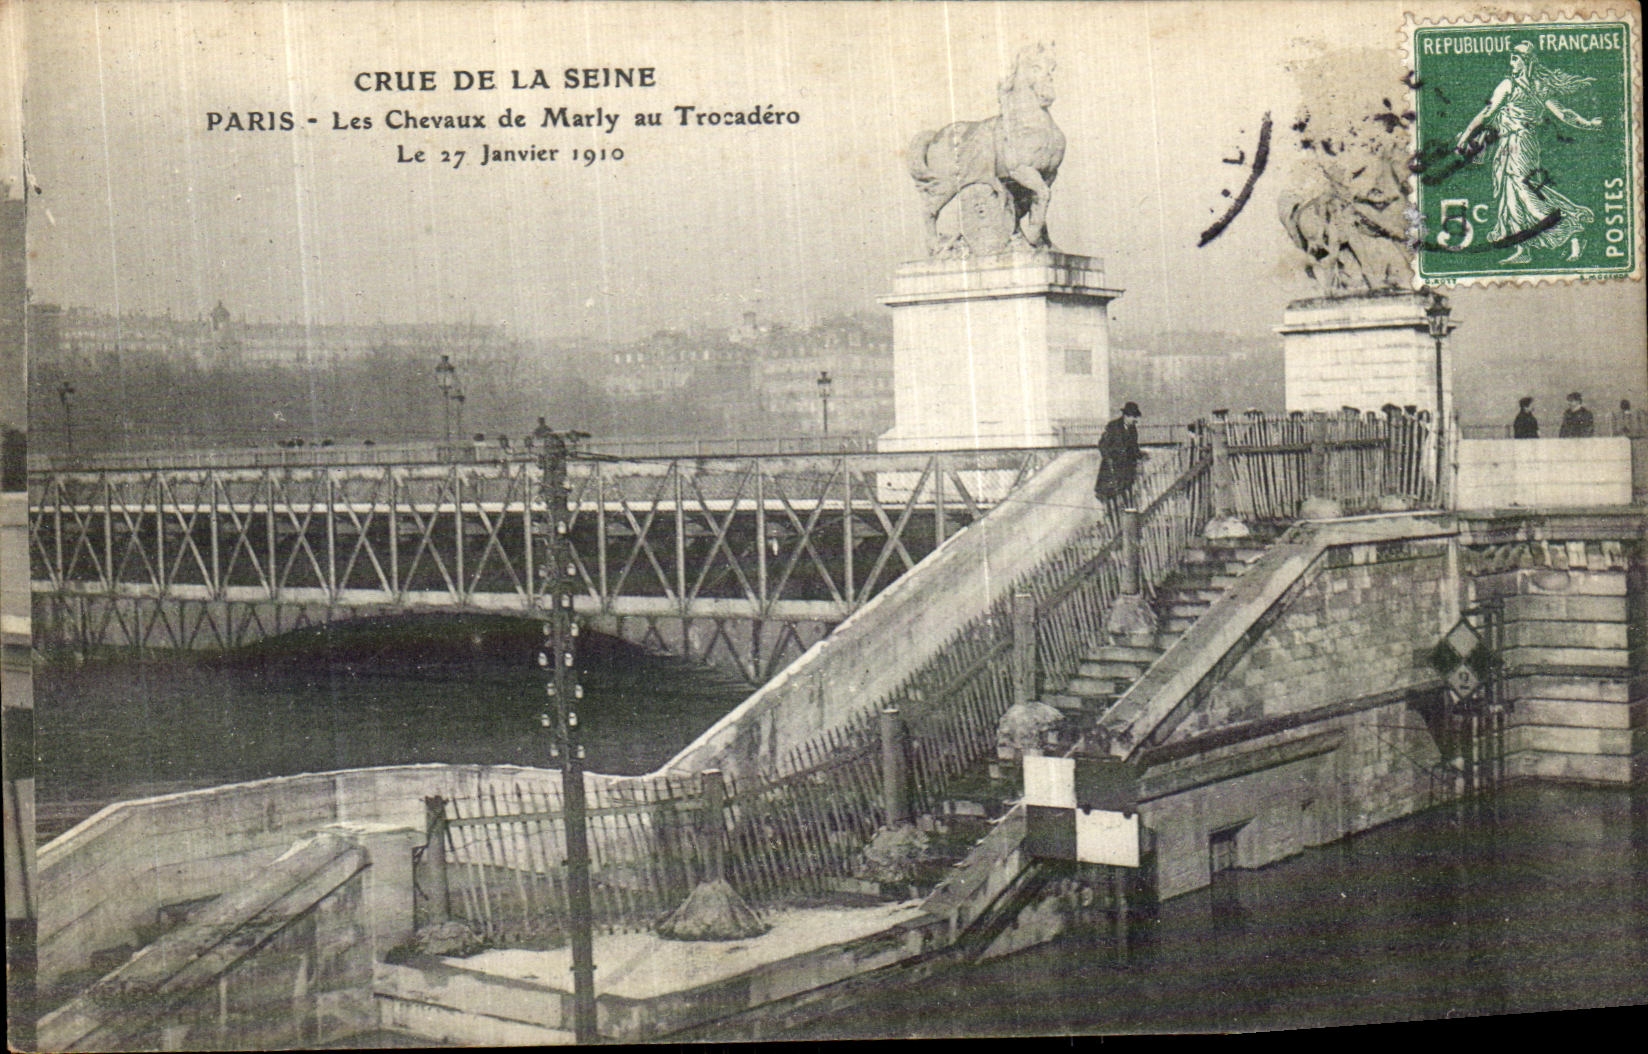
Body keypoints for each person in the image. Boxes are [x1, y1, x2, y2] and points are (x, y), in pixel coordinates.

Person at [1454, 41, 1603, 264]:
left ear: (1527, 62)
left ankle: (1572, 228)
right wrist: (1588, 123)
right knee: (1511, 195)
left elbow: (1487, 114)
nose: (1511, 62)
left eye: (1516, 58)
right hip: (1510, 143)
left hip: (1520, 144)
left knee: (1525, 193)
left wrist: (1465, 138)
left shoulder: (1513, 85)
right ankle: (1523, 251)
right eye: (1511, 58)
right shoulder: (1532, 86)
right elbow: (1564, 114)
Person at [1094, 401, 1144, 515]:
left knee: (1126, 497)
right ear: (1126, 416)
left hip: (1126, 471)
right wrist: (1109, 459)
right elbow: (1102, 445)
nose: (1135, 420)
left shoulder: (1133, 429)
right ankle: (1112, 521)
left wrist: (1140, 455)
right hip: (1112, 469)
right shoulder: (1113, 426)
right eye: (1134, 417)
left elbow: (1134, 447)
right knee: (1111, 498)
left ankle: (1123, 523)